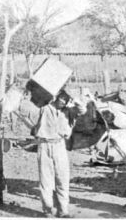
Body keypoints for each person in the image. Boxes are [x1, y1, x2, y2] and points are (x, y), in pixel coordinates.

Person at [32, 90, 82, 218]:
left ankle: (63, 210)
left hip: (60, 145)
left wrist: (75, 100)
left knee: (62, 178)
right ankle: (47, 210)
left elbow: (82, 111)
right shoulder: (45, 108)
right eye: (62, 99)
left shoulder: (69, 111)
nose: (64, 102)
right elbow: (33, 108)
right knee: (45, 179)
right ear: (56, 97)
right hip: (44, 145)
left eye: (66, 100)